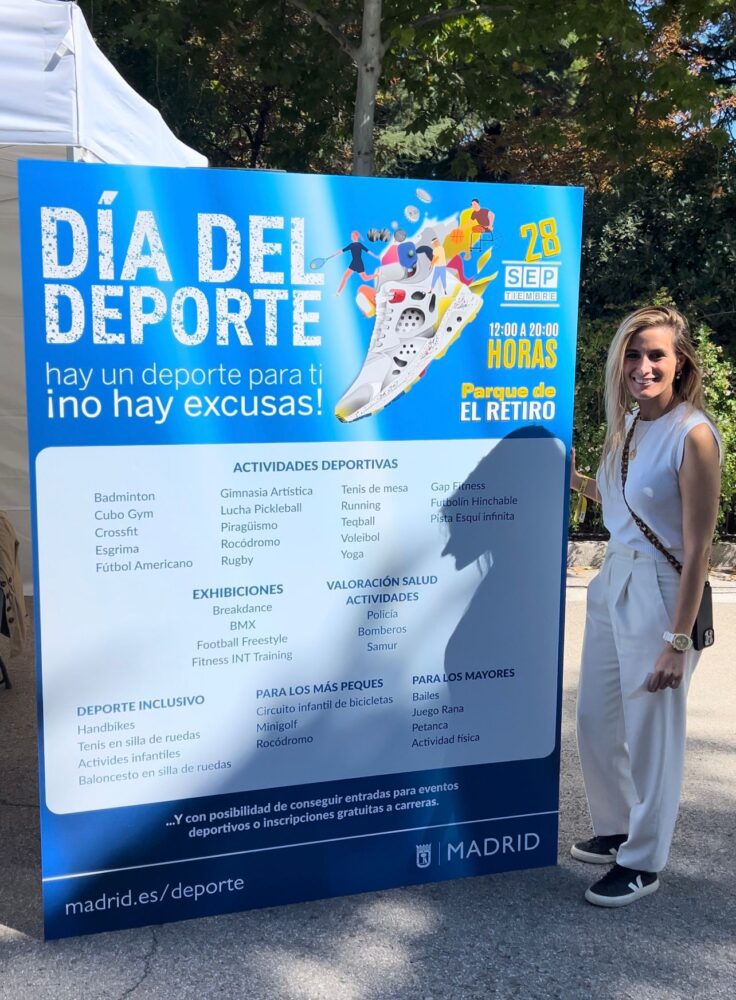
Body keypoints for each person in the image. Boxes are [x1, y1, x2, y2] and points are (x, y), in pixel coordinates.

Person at [569, 305, 721, 907]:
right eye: (632, 355)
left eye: (656, 355)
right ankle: (616, 828)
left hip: (662, 591)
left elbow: (699, 547)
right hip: (613, 579)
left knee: (652, 731)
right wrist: (574, 480)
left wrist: (677, 641)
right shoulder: (631, 423)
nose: (643, 366)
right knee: (596, 718)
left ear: (680, 362)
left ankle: (643, 861)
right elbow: (621, 502)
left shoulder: (693, 434)